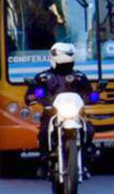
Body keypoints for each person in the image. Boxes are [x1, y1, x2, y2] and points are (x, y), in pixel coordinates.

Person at [26, 42, 95, 179]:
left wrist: (94, 96)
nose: (66, 67)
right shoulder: (43, 78)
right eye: (63, 64)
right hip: (52, 113)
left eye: (68, 64)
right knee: (44, 132)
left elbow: (88, 92)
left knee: (90, 129)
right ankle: (45, 161)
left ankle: (85, 158)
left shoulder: (79, 77)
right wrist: (36, 96)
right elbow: (33, 94)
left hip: (74, 115)